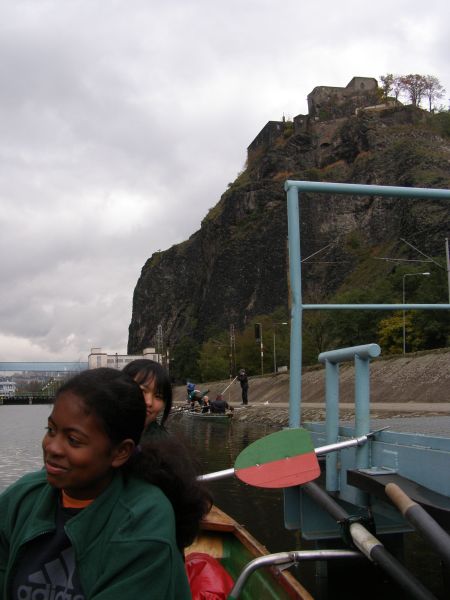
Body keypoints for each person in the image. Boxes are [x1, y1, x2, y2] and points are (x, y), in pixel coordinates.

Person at [0, 368, 211, 600]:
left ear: (121, 452)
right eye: (51, 430)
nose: (52, 447)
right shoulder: (21, 498)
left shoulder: (144, 519)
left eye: (73, 440)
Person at [123, 358, 171, 439]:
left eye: (158, 396)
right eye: (142, 391)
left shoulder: (166, 447)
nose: (149, 402)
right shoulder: (99, 434)